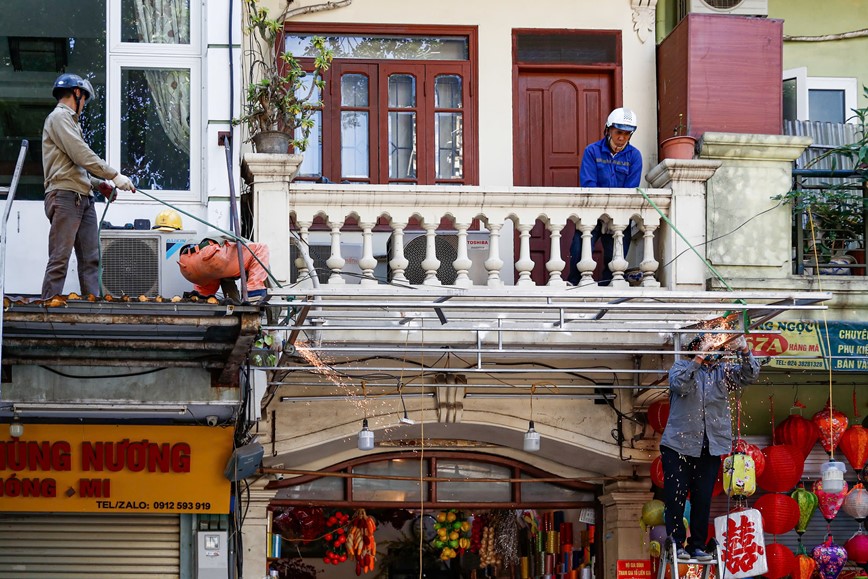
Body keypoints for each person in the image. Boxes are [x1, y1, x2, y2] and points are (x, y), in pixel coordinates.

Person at [660, 332, 760, 561]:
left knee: (702, 498)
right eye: (708, 347)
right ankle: (676, 543)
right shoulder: (680, 367)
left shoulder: (723, 373)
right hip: (678, 446)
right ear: (695, 347)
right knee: (675, 496)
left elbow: (750, 375)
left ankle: (697, 545)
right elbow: (679, 385)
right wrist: (698, 358)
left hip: (710, 446)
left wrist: (744, 350)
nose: (714, 351)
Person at [41, 73, 135, 299]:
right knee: (59, 259)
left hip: (82, 198)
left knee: (91, 260)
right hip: (65, 197)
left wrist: (97, 184)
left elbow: (73, 166)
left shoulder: (70, 123)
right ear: (77, 93)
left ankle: (93, 311)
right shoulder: (59, 118)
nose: (84, 104)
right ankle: (47, 313)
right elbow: (81, 154)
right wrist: (114, 175)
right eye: (84, 99)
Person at [568, 107, 643, 286]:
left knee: (615, 257)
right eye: (618, 132)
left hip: (619, 215)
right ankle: (573, 283)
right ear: (608, 129)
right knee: (578, 249)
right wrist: (601, 214)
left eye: (627, 134)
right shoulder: (592, 151)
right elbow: (588, 185)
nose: (622, 137)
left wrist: (614, 217)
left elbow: (630, 191)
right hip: (592, 213)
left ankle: (606, 289)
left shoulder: (634, 156)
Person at [178, 233, 271, 303]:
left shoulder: (228, 265)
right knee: (261, 248)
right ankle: (254, 293)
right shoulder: (247, 246)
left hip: (185, 264)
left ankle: (200, 298)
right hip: (209, 254)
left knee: (205, 295)